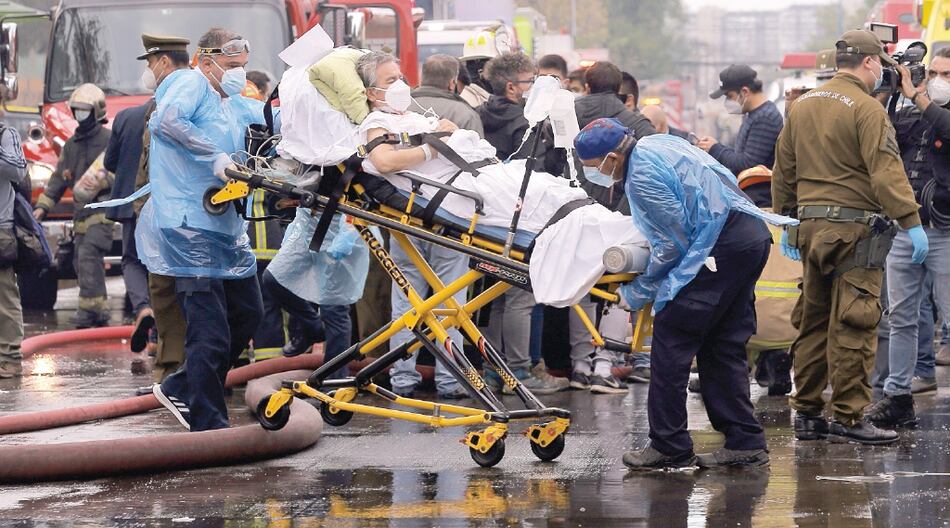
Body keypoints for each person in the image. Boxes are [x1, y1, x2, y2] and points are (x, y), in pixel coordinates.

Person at [575, 118, 789, 470]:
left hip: (721, 246)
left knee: (673, 338)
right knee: (722, 343)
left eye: (592, 167)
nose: (594, 174)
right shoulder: (659, 144)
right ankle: (744, 442)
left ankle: (669, 444)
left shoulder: (641, 175)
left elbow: (672, 245)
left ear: (612, 157)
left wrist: (641, 290)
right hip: (749, 236)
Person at [772, 30, 926, 445]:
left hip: (810, 230)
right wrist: (911, 221)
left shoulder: (802, 105)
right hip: (855, 233)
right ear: (871, 63)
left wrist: (787, 217)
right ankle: (849, 416)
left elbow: (783, 166)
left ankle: (806, 413)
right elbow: (886, 171)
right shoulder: (867, 109)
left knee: (813, 323)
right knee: (854, 324)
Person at [141, 27, 265, 431]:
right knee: (209, 330)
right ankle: (208, 422)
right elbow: (168, 121)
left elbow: (270, 119)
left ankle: (181, 384)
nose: (238, 75)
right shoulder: (188, 83)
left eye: (243, 67)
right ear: (206, 60)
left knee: (248, 313)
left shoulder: (230, 104)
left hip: (223, 227)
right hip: (189, 225)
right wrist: (215, 157)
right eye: (232, 66)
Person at [864, 47, 950, 428]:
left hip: (945, 233)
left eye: (944, 73)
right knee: (901, 317)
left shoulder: (936, 112)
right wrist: (890, 92)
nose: (934, 78)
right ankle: (898, 395)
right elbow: (884, 145)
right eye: (931, 71)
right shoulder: (912, 112)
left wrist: (918, 95)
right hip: (905, 228)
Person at [104, 34, 190, 354]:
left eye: (151, 63)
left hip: (132, 204)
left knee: (133, 261)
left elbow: (110, 161)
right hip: (163, 207)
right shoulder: (181, 108)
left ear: (162, 64)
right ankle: (158, 338)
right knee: (163, 270)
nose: (150, 69)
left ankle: (143, 310)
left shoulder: (126, 117)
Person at [33, 84, 114, 329]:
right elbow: (58, 180)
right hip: (80, 215)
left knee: (89, 256)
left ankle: (90, 311)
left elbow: (122, 172)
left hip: (102, 213)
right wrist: (41, 208)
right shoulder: (71, 145)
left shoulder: (109, 141)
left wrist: (104, 180)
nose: (80, 115)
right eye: (77, 110)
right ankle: (97, 310)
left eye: (84, 110)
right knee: (81, 260)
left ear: (96, 112)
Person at [699, 65, 783, 177]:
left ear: (744, 92)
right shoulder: (753, 114)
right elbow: (742, 154)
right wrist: (716, 146)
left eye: (729, 96)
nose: (727, 102)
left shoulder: (764, 118)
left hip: (759, 191)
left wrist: (715, 149)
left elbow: (749, 165)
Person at [0, 116, 26, 378]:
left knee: (4, 296)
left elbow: (18, 170)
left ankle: (9, 358)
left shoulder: (6, 135)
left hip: (1, 228)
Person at [412, 54, 484, 136]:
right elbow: (478, 147)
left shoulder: (401, 108)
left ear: (421, 78)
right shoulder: (466, 115)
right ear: (452, 83)